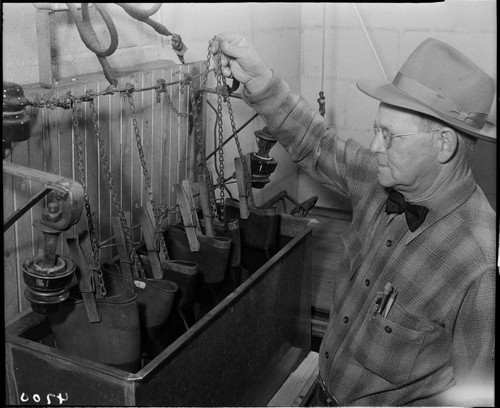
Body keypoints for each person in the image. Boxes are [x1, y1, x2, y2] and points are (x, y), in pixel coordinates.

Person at [211, 33, 496, 406]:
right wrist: (259, 80)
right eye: (377, 130)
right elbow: (317, 143)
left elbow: (477, 397)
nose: (375, 147)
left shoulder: (478, 266)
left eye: (389, 136)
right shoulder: (383, 179)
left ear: (444, 144)